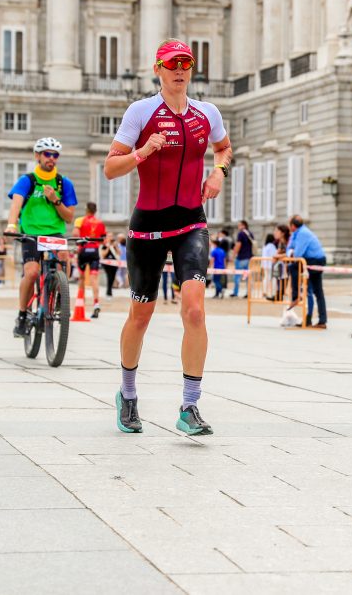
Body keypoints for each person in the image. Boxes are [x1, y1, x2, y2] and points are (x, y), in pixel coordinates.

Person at [102, 38, 232, 435]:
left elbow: (224, 149)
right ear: (157, 68)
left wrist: (218, 173)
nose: (179, 70)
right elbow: (110, 168)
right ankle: (127, 395)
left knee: (194, 309)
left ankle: (189, 407)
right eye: (172, 63)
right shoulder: (141, 111)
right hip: (148, 226)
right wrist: (142, 152)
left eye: (186, 64)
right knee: (141, 316)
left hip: (191, 220)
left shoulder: (207, 113)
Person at [5, 137, 79, 336]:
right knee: (31, 272)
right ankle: (22, 314)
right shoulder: (27, 181)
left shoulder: (64, 183)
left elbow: (70, 217)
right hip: (30, 233)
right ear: (37, 156)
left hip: (54, 233)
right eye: (47, 154)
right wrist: (12, 225)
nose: (52, 158)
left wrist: (55, 200)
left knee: (64, 257)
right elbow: (16, 205)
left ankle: (60, 301)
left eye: (55, 155)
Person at [285, 215, 327, 329]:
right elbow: (289, 248)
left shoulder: (302, 233)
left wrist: (291, 252)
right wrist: (291, 252)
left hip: (315, 260)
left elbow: (297, 254)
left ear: (293, 226)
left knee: (293, 267)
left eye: (290, 225)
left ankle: (295, 296)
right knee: (317, 292)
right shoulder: (297, 233)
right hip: (314, 259)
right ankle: (320, 321)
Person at [74, 202, 107, 318]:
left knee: (82, 278)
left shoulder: (80, 220)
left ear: (86, 209)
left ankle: (81, 303)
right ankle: (96, 303)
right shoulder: (100, 222)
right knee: (94, 279)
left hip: (83, 250)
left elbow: (75, 235)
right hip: (94, 251)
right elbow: (103, 239)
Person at [231, 219, 254, 298]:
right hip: (249, 257)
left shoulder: (241, 234)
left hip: (241, 257)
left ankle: (235, 292)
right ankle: (249, 293)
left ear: (243, 225)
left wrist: (233, 255)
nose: (238, 227)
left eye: (239, 225)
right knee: (248, 277)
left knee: (237, 276)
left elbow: (238, 245)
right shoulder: (250, 233)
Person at [261, 232, 278, 299]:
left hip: (265, 264)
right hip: (271, 264)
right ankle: (274, 292)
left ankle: (264, 291)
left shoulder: (265, 246)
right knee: (274, 278)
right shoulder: (272, 246)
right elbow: (274, 255)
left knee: (266, 278)